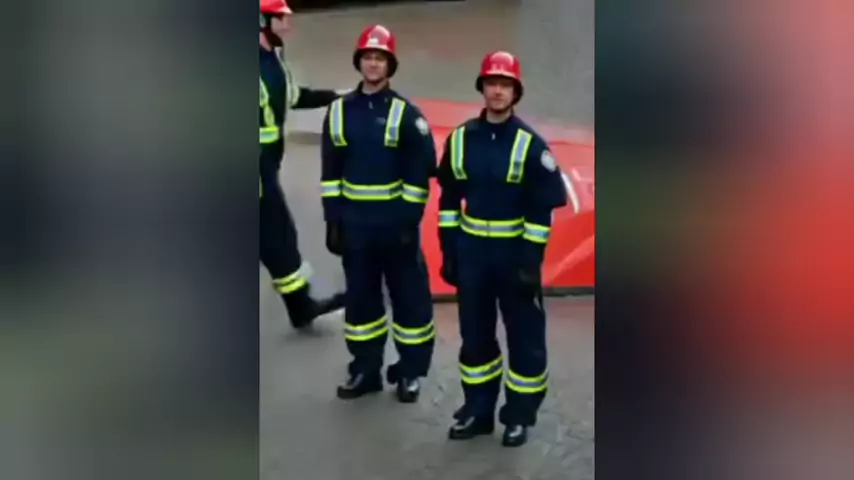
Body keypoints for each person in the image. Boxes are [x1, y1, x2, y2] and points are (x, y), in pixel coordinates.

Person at [436, 51, 567, 447]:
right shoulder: (461, 139)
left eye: (505, 85)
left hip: (514, 258)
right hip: (473, 255)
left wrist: (530, 261)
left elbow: (542, 210)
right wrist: (450, 252)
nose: (497, 91)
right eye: (492, 83)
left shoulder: (531, 145)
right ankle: (478, 411)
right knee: (475, 336)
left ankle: (519, 416)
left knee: (524, 339)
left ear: (515, 92)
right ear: (482, 88)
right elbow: (448, 201)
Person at [320, 25, 437, 403]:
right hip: (356, 229)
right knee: (361, 303)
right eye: (368, 57)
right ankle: (365, 371)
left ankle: (410, 372)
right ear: (359, 62)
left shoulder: (407, 115)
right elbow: (330, 173)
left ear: (390, 65)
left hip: (395, 228)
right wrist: (333, 220)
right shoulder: (339, 112)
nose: (373, 64)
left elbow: (419, 176)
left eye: (380, 58)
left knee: (409, 302)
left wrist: (407, 221)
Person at [260, 0, 345, 329]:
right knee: (276, 234)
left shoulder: (273, 59)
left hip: (267, 166)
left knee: (274, 237)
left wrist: (336, 96)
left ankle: (300, 306)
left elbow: (293, 96)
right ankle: (301, 307)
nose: (288, 24)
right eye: (282, 18)